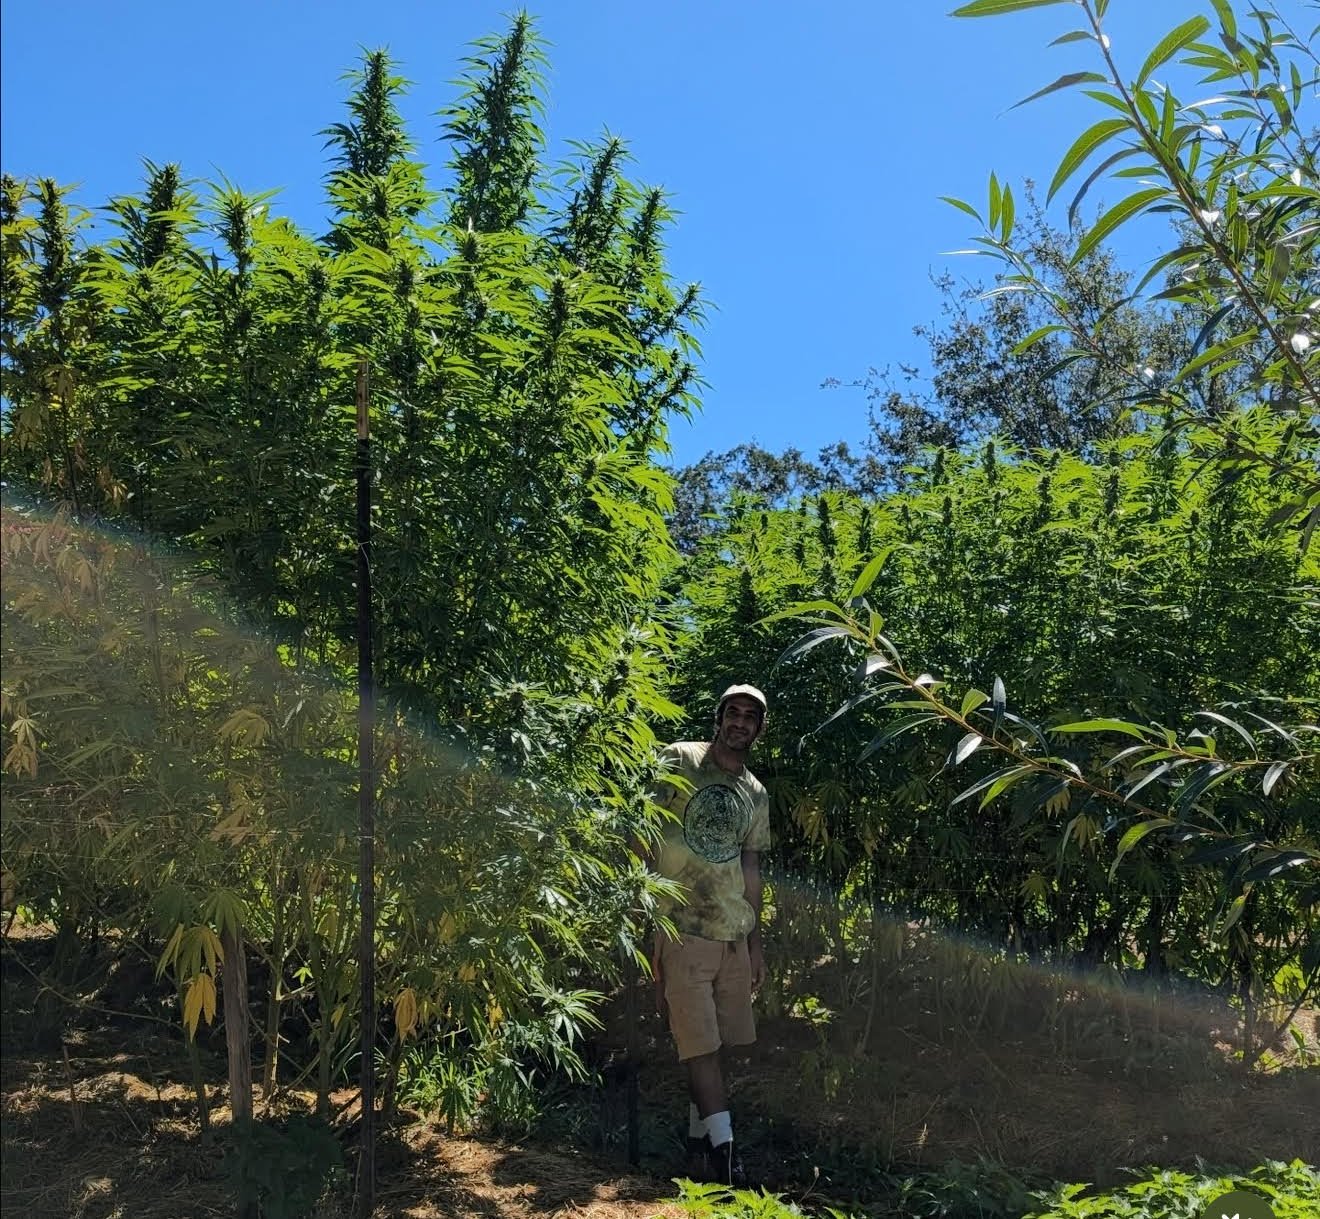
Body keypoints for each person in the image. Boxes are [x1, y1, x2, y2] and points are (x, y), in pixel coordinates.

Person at [646, 683, 771, 1187]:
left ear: (759, 729)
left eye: (750, 717)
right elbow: (643, 826)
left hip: (732, 936)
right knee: (698, 1044)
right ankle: (727, 1155)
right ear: (719, 717)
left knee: (717, 1046)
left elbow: (752, 866)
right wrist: (642, 909)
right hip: (683, 927)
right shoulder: (680, 760)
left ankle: (698, 1144)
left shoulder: (755, 792)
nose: (740, 722)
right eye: (733, 713)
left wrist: (757, 940)